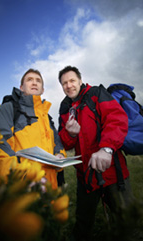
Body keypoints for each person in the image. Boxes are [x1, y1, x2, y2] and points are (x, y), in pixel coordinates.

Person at [58, 66, 133, 240]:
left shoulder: (96, 93)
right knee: (83, 222)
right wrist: (70, 133)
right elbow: (66, 143)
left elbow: (117, 119)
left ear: (80, 80)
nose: (68, 86)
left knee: (127, 221)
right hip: (85, 176)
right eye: (64, 83)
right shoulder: (64, 108)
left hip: (114, 172)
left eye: (72, 81)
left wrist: (106, 148)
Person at [0, 68, 66, 189]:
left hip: (51, 189)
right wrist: (23, 177)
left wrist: (60, 156)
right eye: (29, 80)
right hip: (22, 189)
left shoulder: (47, 117)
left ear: (42, 89)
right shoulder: (8, 109)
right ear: (21, 87)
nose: (34, 83)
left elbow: (57, 142)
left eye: (38, 81)